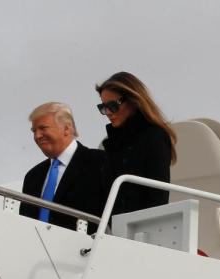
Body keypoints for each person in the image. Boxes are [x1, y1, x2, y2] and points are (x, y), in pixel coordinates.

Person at [96, 71, 176, 217]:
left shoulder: (155, 136)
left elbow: (158, 197)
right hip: (112, 231)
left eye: (113, 106)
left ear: (133, 100)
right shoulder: (110, 143)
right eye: (103, 107)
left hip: (139, 232)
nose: (108, 112)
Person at [22, 102, 106, 232]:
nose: (37, 136)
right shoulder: (33, 176)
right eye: (34, 131)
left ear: (66, 129)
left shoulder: (100, 162)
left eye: (43, 128)